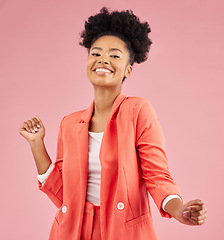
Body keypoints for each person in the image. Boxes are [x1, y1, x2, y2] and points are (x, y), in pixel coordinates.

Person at [19, 7, 207, 240]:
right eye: (95, 53)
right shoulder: (69, 123)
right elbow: (64, 197)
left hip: (123, 232)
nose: (103, 59)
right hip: (70, 232)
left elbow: (157, 175)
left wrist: (179, 210)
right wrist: (37, 144)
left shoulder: (138, 110)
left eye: (115, 55)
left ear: (128, 69)